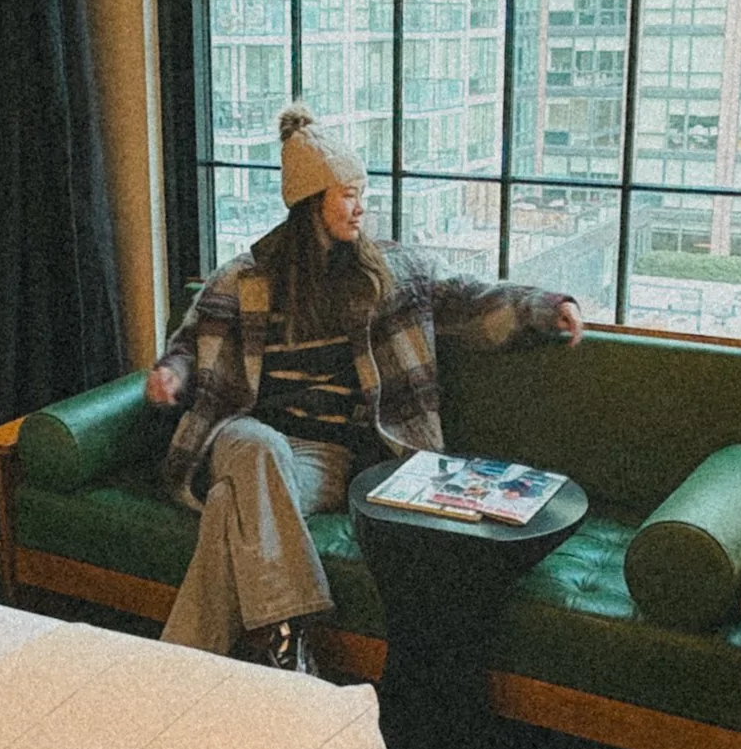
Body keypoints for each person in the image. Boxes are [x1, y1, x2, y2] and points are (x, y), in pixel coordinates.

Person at [145, 103, 584, 670]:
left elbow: (471, 300)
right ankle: (289, 630)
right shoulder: (244, 279)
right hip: (242, 438)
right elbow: (188, 342)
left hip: (322, 461)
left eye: (362, 191)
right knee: (255, 446)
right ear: (311, 203)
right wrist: (173, 375)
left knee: (232, 504)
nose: (361, 206)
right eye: (348, 193)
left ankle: (179, 669)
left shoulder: (390, 274)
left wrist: (545, 309)